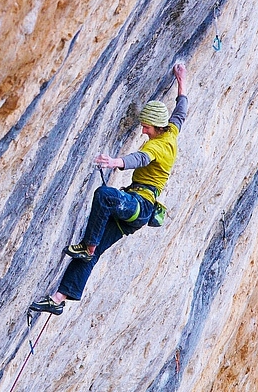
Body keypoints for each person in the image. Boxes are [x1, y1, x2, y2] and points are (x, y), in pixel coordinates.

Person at [29, 63, 189, 315]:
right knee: (92, 254)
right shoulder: (171, 131)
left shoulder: (157, 147)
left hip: (140, 206)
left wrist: (116, 162)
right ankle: (58, 299)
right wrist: (181, 80)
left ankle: (88, 245)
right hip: (134, 210)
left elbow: (140, 159)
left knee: (104, 196)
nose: (143, 129)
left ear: (157, 127)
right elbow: (181, 110)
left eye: (146, 126)